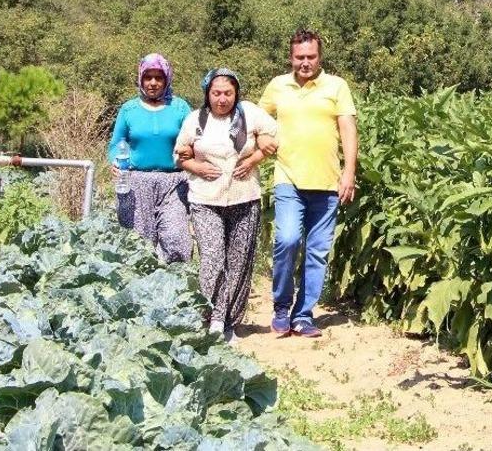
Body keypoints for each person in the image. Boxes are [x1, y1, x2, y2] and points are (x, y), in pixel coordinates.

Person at [258, 29, 358, 338]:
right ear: (291, 57)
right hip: (288, 178)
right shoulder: (277, 86)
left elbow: (348, 130)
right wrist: (261, 136)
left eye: (311, 57)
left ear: (320, 57)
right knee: (287, 240)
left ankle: (302, 315)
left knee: (316, 252)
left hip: (327, 183)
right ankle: (280, 306)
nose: (305, 63)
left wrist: (349, 172)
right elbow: (257, 120)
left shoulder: (336, 86)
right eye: (300, 57)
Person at [175, 68, 277, 343]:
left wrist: (254, 158)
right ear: (207, 93)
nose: (222, 99)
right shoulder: (195, 120)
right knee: (212, 258)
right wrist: (196, 165)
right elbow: (180, 155)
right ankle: (211, 316)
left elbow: (273, 139)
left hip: (244, 197)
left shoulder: (249, 113)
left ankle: (227, 320)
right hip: (205, 198)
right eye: (216, 93)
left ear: (236, 94)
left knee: (239, 261)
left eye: (228, 93)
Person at [107, 53, 192, 262]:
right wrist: (116, 162)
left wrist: (189, 152)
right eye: (148, 77)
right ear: (140, 79)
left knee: (177, 237)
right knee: (138, 241)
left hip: (174, 182)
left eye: (159, 77)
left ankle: (176, 287)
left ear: (167, 79)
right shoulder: (129, 109)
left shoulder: (180, 108)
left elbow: (193, 139)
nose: (153, 83)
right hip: (136, 181)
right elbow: (116, 143)